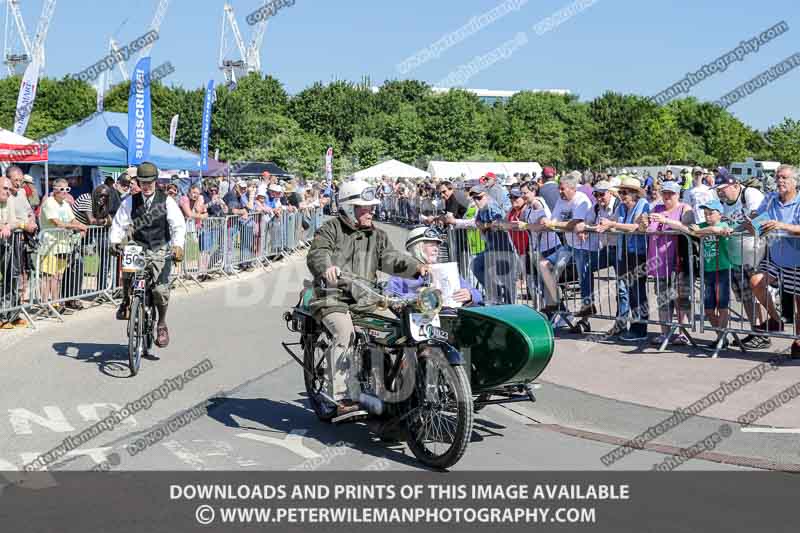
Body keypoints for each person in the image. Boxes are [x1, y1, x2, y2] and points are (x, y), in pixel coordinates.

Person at [306, 179, 428, 418]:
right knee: (345, 334)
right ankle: (340, 397)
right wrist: (327, 267)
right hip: (334, 299)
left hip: (368, 299)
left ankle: (393, 390)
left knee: (400, 332)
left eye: (372, 206)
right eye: (365, 206)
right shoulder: (331, 229)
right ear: (349, 208)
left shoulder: (377, 235)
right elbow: (318, 253)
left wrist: (417, 267)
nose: (371, 210)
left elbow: (391, 258)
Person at [109, 162, 186, 348]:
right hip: (139, 245)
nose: (147, 185)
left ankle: (161, 324)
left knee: (160, 290)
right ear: (138, 182)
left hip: (160, 247)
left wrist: (177, 246)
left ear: (156, 181)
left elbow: (177, 225)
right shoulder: (130, 201)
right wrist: (114, 241)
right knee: (128, 270)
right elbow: (119, 223)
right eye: (143, 182)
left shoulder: (166, 201)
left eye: (150, 181)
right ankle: (127, 302)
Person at [746, 164, 800, 358]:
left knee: (798, 303)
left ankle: (798, 342)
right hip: (775, 255)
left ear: (795, 182)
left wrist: (782, 225)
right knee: (756, 282)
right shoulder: (769, 199)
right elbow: (758, 221)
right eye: (777, 177)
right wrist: (750, 224)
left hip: (797, 259)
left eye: (784, 177)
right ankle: (776, 320)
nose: (779, 181)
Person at [714, 171, 768, 348]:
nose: (720, 192)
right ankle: (755, 331)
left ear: (735, 185)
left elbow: (758, 218)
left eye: (723, 188)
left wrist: (733, 228)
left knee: (756, 292)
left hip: (755, 252)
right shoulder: (723, 203)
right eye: (718, 189)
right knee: (744, 296)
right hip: (735, 255)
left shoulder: (750, 194)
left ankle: (763, 333)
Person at [597, 177, 651, 341]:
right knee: (628, 290)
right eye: (620, 192)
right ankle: (627, 326)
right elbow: (610, 222)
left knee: (638, 292)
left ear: (635, 193)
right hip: (624, 252)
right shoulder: (621, 207)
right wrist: (598, 225)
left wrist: (612, 225)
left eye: (624, 192)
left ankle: (639, 328)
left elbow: (637, 227)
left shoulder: (643, 205)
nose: (621, 195)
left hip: (639, 253)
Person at [644, 180, 693, 345]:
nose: (666, 196)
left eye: (670, 193)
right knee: (663, 299)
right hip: (658, 262)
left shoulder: (685, 208)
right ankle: (665, 333)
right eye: (664, 192)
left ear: (677, 194)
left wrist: (666, 221)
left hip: (679, 260)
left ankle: (683, 333)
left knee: (681, 297)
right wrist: (643, 222)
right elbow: (646, 227)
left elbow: (690, 228)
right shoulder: (656, 208)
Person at [537, 173, 593, 314]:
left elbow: (574, 223)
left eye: (563, 189)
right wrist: (546, 220)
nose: (560, 192)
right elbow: (553, 221)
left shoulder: (581, 200)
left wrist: (555, 224)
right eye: (559, 189)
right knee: (544, 265)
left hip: (583, 246)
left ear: (573, 188)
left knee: (583, 277)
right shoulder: (560, 200)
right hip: (569, 245)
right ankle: (555, 302)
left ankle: (587, 306)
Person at [387, 227, 481, 305]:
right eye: (431, 245)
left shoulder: (446, 270)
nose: (436, 249)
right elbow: (391, 297)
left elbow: (478, 296)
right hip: (415, 319)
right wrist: (417, 297)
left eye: (437, 246)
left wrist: (470, 295)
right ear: (417, 248)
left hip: (450, 319)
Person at [38, 178, 88, 314]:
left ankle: (55, 303)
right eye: (62, 189)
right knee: (47, 276)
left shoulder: (65, 204)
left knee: (58, 276)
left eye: (67, 189)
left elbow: (72, 219)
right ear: (54, 190)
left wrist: (81, 226)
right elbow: (57, 223)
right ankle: (44, 305)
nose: (65, 192)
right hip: (49, 244)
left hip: (63, 245)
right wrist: (78, 226)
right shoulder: (49, 202)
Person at [691, 199, 733, 343]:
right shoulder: (702, 226)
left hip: (723, 269)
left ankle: (721, 339)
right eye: (705, 214)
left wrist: (698, 231)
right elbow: (690, 229)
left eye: (711, 213)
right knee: (708, 309)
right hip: (707, 271)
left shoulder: (724, 225)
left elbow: (716, 230)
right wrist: (696, 230)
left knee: (722, 305)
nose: (707, 216)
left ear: (719, 214)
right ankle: (721, 336)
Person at [0, 176, 23, 329]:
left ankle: (9, 314)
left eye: (9, 189)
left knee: (10, 279)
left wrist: (7, 226)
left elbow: (15, 221)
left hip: (7, 245)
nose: (8, 192)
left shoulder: (9, 200)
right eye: (5, 188)